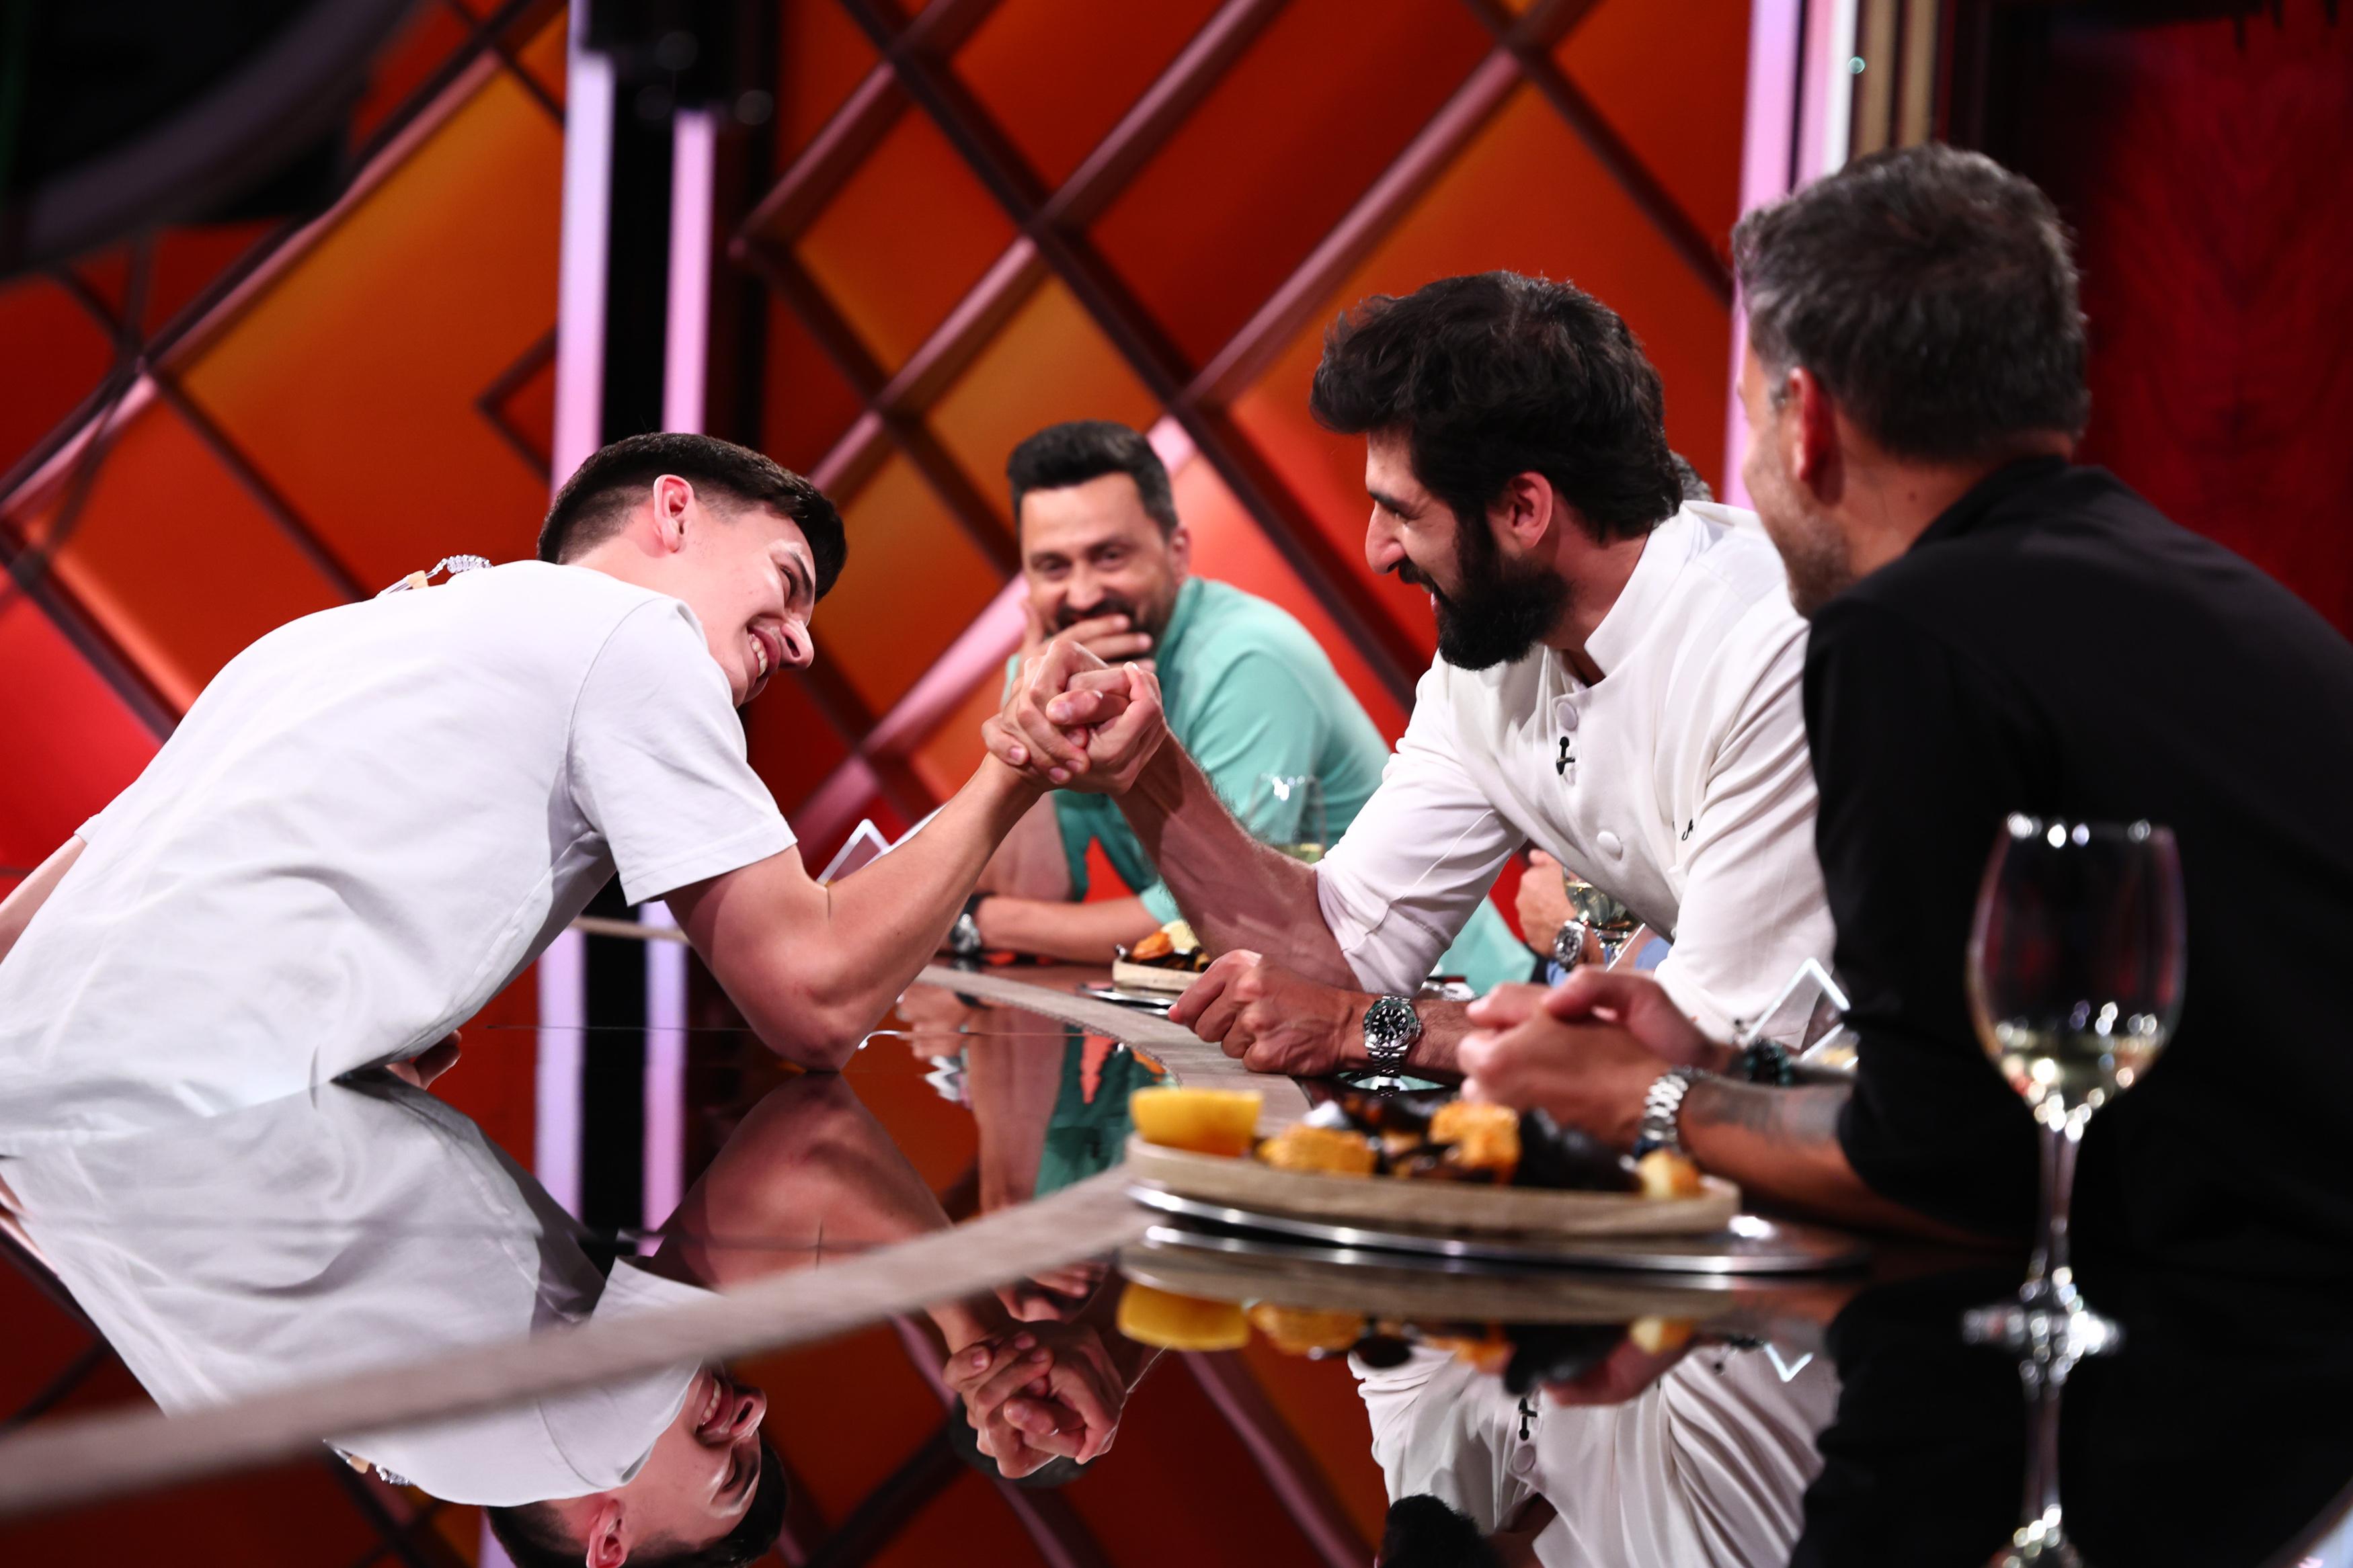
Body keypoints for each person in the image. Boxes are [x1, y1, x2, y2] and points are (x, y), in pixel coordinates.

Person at [1453, 145, 2353, 1264]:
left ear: (1808, 423)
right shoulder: (2206, 587)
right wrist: (1720, 1059)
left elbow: (1946, 1166)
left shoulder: (1902, 633)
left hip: (2213, 1339)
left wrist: (1645, 1098)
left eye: (1751, 421)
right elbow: (1993, 1106)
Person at [0, 431, 1129, 1151]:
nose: (799, 645)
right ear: (673, 511)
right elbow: (813, 1000)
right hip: (184, 1137)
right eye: (789, 584)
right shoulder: (636, 632)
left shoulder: (323, 636)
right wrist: (1014, 770)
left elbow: (53, 895)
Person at [985, 274, 1834, 1081]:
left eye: (1399, 510)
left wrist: (1363, 1027)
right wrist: (1145, 765)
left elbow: (1717, 1038)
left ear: (1522, 509)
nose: (1376, 549)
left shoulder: (1776, 648)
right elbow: (1337, 951)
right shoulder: (1493, 651)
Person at [965, 419, 1528, 993]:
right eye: (1054, 568)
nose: (1083, 595)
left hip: (1451, 998)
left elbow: (1214, 917)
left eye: (1110, 556)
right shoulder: (1044, 673)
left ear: (1177, 554)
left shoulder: (1249, 657)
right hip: (1301, 998)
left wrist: (979, 922)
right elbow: (1037, 891)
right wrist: (1027, 705)